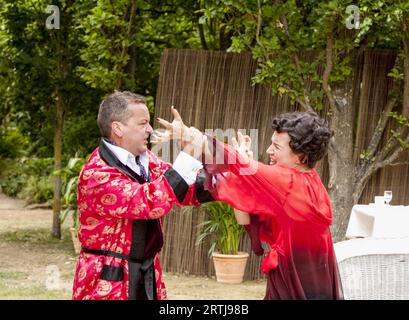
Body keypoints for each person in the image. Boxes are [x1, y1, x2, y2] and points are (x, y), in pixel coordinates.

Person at [154, 111, 343, 300]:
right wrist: (243, 177)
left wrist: (188, 134)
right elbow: (243, 215)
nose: (269, 150)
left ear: (300, 157)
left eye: (276, 146)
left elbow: (235, 161)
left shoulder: (286, 182)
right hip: (318, 278)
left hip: (296, 284)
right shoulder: (311, 179)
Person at [72, 91, 213, 300]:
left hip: (146, 273)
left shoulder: (145, 161)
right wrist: (189, 155)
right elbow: (149, 202)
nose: (149, 129)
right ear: (118, 128)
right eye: (143, 123)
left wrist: (230, 174)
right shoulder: (97, 174)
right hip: (107, 280)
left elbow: (186, 190)